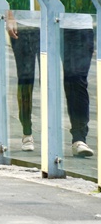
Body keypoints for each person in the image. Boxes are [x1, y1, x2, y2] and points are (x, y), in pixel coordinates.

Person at [7, 9, 95, 157]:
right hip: (33, 21)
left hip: (77, 23)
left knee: (77, 80)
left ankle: (79, 139)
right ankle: (27, 131)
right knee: (27, 79)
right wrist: (9, 16)